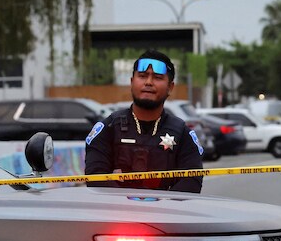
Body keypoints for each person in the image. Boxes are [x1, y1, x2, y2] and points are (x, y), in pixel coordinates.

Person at [85, 50, 204, 192]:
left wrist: (160, 204)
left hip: (167, 212)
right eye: (142, 76)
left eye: (158, 78)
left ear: (170, 87)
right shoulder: (108, 128)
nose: (148, 82)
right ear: (131, 82)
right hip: (116, 210)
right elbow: (95, 179)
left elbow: (192, 182)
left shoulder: (182, 134)